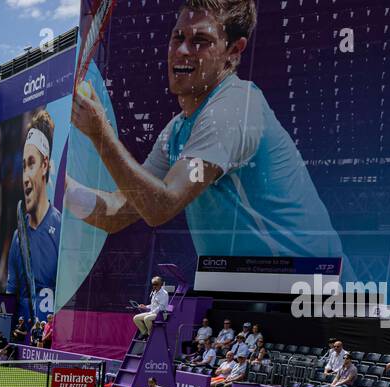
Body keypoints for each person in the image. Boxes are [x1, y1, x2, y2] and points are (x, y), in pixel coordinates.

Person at [66, 1, 345, 269]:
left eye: (201, 40)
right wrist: (61, 188)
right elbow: (119, 210)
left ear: (234, 51)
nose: (183, 50)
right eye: (178, 37)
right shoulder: (177, 130)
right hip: (256, 293)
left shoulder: (232, 109)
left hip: (314, 297)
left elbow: (160, 207)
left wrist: (100, 133)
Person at [6, 109, 63, 327]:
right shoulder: (17, 238)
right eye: (23, 166)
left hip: (51, 340)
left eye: (31, 163)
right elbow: (11, 293)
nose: (26, 177)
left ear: (45, 165)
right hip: (22, 339)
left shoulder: (61, 231)